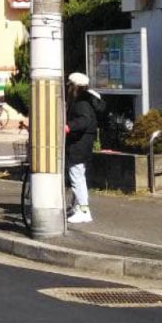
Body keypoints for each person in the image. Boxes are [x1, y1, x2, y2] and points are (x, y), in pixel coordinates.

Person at [65, 72, 98, 224]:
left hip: (78, 145)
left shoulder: (80, 102)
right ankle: (78, 207)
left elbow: (84, 120)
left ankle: (84, 211)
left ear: (74, 87)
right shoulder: (88, 99)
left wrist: (69, 127)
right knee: (79, 177)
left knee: (77, 179)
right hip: (84, 144)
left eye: (69, 86)